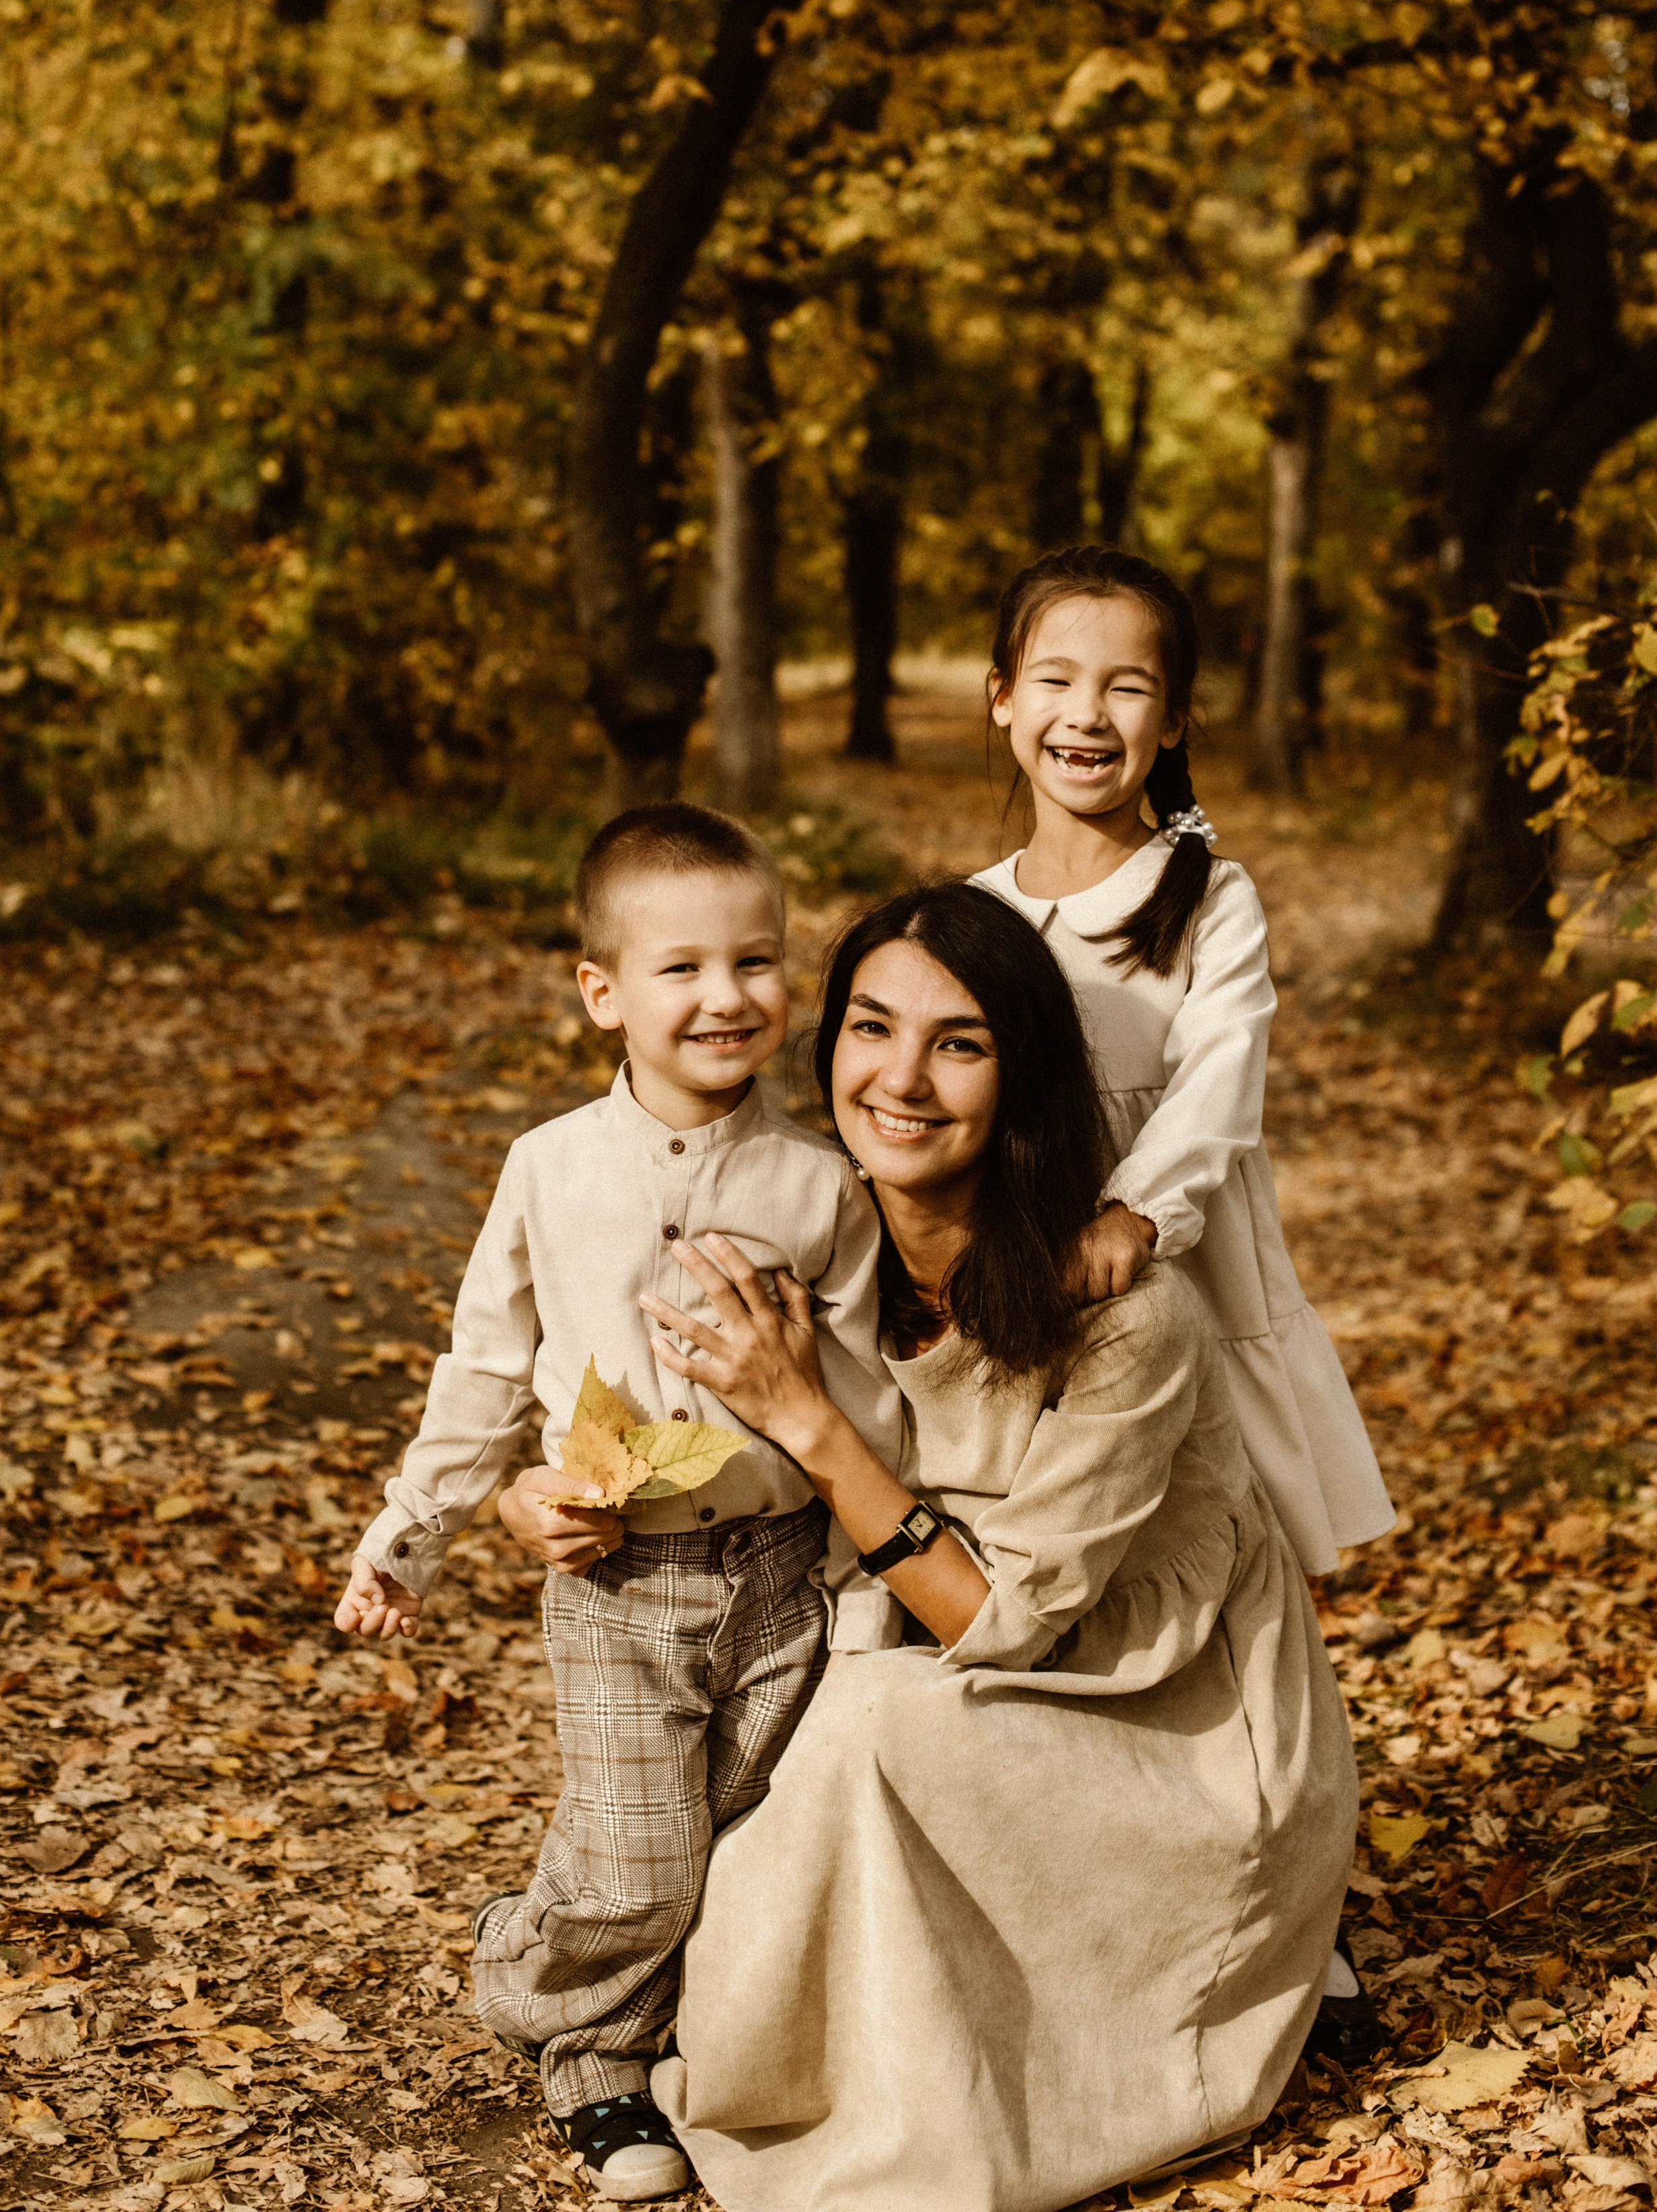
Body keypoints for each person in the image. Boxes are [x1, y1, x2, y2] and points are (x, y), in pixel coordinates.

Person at [603, 879, 1359, 2212]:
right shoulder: (817, 1235)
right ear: (822, 1042)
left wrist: (806, 1419)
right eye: (868, 1029)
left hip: (1170, 1732)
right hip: (962, 1678)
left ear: (1021, 1078)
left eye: (958, 1044)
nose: (900, 1078)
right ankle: (728, 2040)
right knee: (774, 1712)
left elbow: (1002, 1624)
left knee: (868, 1726)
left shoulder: (1122, 1310)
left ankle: (869, 2111)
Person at [333, 803, 900, 2205]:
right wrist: (412, 1535)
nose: (727, 997)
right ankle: (579, 2043)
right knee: (641, 1862)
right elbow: (483, 1362)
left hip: (778, 1574)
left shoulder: (820, 1182)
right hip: (614, 1583)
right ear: (602, 993)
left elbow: (871, 1398)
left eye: (757, 962)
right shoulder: (549, 1167)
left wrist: (865, 1581)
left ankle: (633, 1984)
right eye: (682, 968)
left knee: (730, 1837)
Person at [974, 545, 1395, 1582]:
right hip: (1030, 1254)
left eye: (1127, 688)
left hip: (1178, 1245)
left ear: (1170, 723)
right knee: (1065, 1513)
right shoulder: (975, 913)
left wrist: (1136, 1211)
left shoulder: (1209, 895)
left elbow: (1223, 1074)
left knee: (1217, 1517)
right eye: (1056, 680)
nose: (1087, 714)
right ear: (1001, 699)